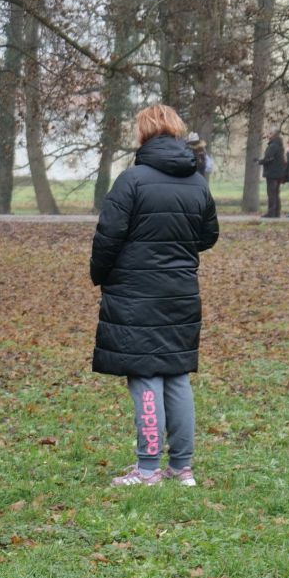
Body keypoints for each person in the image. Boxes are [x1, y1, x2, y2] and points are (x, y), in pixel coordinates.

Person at [91, 104, 217, 488]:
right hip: (181, 293)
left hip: (136, 295)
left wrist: (100, 275)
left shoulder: (131, 180)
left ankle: (147, 470)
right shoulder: (197, 183)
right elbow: (208, 235)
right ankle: (182, 468)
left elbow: (108, 237)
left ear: (143, 133)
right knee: (176, 376)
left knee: (145, 375)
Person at [259, 132, 287, 219]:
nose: (267, 136)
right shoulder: (280, 146)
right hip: (278, 173)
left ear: (273, 136)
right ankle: (276, 212)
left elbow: (268, 158)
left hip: (272, 173)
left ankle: (271, 212)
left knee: (271, 194)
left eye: (269, 134)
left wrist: (260, 161)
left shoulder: (272, 146)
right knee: (276, 193)